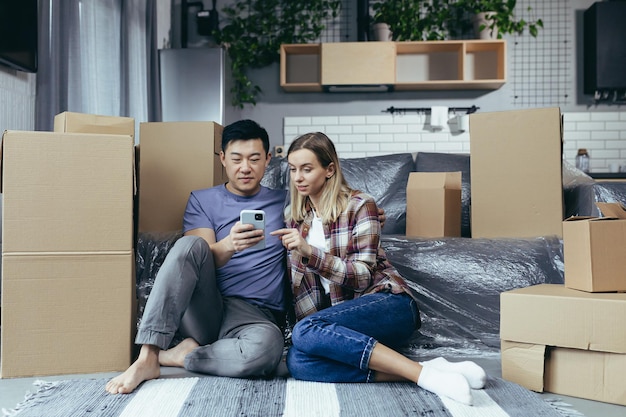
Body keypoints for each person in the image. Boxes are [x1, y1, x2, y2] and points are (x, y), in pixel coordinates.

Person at [271, 132, 487, 406]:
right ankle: (426, 370)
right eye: (292, 170)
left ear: (329, 169)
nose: (298, 177)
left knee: (306, 330)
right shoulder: (294, 218)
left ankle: (426, 377)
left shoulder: (360, 205)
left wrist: (309, 253)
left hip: (387, 304)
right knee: (299, 362)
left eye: (307, 168)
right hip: (337, 323)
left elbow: (362, 276)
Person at [106, 119, 288, 394]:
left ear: (268, 160)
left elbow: (335, 205)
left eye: (254, 158)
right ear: (223, 159)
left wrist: (369, 211)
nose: (245, 168)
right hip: (208, 305)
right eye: (237, 158)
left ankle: (181, 355)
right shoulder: (202, 200)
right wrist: (229, 244)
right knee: (189, 244)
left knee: (267, 352)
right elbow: (198, 257)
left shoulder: (286, 201)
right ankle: (148, 356)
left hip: (257, 317)